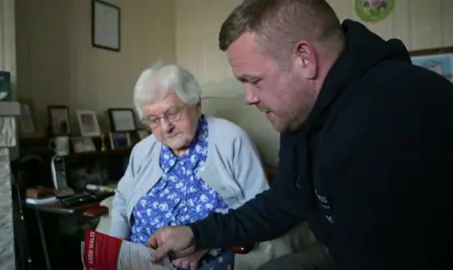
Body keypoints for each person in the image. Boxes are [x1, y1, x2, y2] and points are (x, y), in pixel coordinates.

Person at [146, 0, 453, 269]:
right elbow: (284, 202)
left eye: (254, 80)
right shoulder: (301, 111)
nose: (249, 97)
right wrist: (197, 233)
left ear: (304, 59)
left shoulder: (387, 120)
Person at [109, 62, 292, 270]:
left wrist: (202, 242)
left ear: (196, 105)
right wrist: (114, 252)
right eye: (153, 120)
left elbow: (259, 205)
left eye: (172, 113)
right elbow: (122, 199)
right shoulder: (142, 151)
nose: (165, 127)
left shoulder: (232, 140)